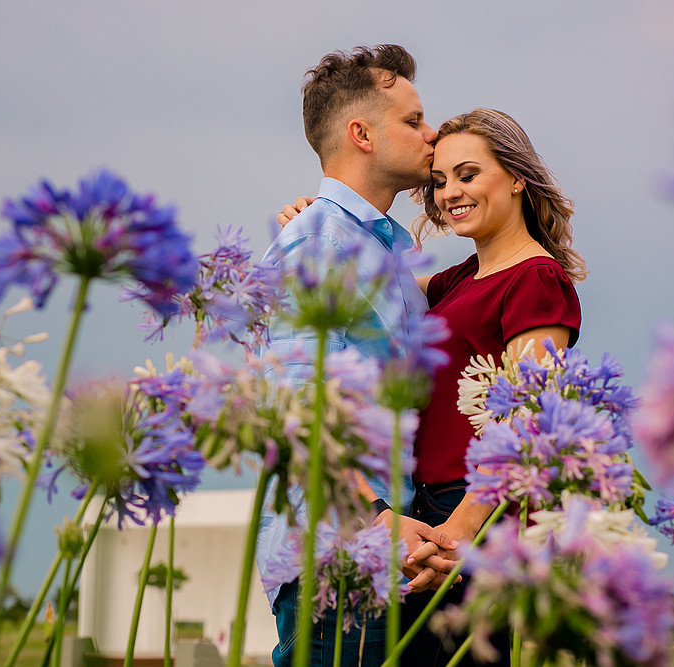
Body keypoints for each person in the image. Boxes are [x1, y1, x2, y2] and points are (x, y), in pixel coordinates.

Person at [277, 108, 585, 666]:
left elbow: (526, 421)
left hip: (477, 511)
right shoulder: (461, 278)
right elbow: (370, 283)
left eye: (468, 175)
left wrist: (459, 530)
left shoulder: (536, 279)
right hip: (429, 511)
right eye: (440, 180)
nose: (449, 194)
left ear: (517, 178)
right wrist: (317, 225)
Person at [256, 44, 460, 667]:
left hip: (389, 558)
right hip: (335, 565)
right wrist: (376, 518)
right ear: (362, 134)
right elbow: (296, 406)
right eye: (413, 120)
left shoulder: (385, 250)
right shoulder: (314, 242)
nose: (431, 135)